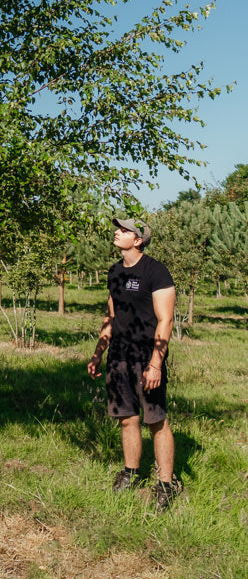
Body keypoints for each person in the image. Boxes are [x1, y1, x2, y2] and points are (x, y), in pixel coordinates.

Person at [88, 216, 182, 511]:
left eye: (124, 230)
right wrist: (98, 352)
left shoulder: (156, 272)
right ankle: (130, 472)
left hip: (146, 357)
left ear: (138, 240)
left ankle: (166, 484)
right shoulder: (115, 272)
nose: (118, 232)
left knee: (155, 420)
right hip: (119, 356)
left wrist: (155, 363)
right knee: (126, 418)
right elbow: (111, 315)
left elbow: (165, 320)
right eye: (119, 228)